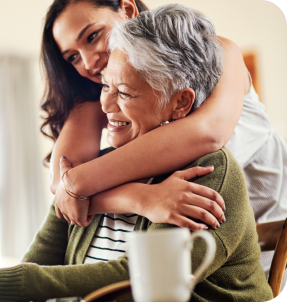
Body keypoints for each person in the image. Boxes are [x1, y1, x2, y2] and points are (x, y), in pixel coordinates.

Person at [0, 5, 273, 301]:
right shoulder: (103, 161)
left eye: (124, 92)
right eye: (104, 86)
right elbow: (38, 262)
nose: (105, 104)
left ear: (179, 104)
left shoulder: (207, 172)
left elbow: (136, 280)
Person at [45, 0, 287, 276]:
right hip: (194, 249)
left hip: (267, 246)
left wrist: (78, 183)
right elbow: (60, 185)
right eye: (73, 57)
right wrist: (139, 198)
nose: (88, 62)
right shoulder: (101, 93)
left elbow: (207, 134)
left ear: (127, 10)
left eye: (92, 36)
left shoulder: (216, 53)